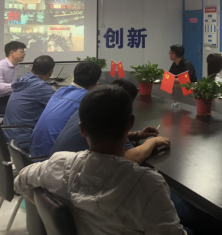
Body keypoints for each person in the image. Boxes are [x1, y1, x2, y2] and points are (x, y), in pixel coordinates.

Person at [14, 85, 192, 235]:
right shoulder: (147, 185)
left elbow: (19, 183)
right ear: (130, 122)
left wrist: (57, 215)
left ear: (82, 129)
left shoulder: (56, 165)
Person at [51, 79, 168, 164]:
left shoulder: (89, 106)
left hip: (59, 164)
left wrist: (136, 135)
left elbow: (105, 136)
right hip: (73, 170)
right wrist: (152, 142)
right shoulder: (112, 114)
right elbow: (132, 158)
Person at [29, 61, 102, 157]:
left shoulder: (60, 91)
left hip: (35, 151)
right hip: (53, 158)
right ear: (96, 83)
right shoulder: (87, 99)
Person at [3, 56, 56, 149]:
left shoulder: (23, 80)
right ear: (50, 72)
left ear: (32, 69)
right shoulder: (40, 87)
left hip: (8, 136)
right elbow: (61, 106)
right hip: (24, 139)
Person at [0, 41, 26, 114]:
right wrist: (16, 86)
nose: (24, 54)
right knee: (15, 112)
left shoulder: (16, 65)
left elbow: (13, 80)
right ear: (12, 52)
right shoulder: (1, 66)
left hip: (11, 96)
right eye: (21, 51)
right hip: (1, 99)